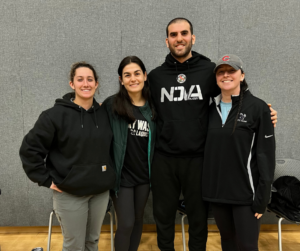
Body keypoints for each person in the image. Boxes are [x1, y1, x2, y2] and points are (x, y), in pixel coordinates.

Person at [148, 17, 277, 251]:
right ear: (167, 40)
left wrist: (263, 112)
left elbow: (233, 87)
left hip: (199, 159)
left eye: (184, 33)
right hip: (164, 158)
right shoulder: (156, 77)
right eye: (174, 35)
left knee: (199, 221)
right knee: (163, 219)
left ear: (192, 38)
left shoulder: (208, 69)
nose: (179, 39)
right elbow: (139, 106)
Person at [19, 62, 115, 251]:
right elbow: (29, 149)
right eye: (80, 79)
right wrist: (45, 179)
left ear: (97, 84)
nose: (85, 84)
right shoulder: (54, 116)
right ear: (72, 84)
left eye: (90, 79)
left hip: (100, 192)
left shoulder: (106, 114)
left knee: (92, 242)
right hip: (70, 193)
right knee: (74, 246)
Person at [202, 54, 276, 251]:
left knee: (247, 246)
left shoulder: (258, 108)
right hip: (218, 194)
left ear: (241, 75)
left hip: (247, 196)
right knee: (227, 242)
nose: (226, 75)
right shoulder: (209, 110)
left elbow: (266, 155)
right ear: (216, 78)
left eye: (231, 71)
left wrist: (263, 197)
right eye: (221, 72)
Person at [102, 56, 156, 251]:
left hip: (144, 176)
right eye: (127, 75)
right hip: (122, 176)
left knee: (138, 220)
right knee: (125, 223)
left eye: (137, 73)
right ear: (120, 79)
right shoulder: (111, 105)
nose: (133, 79)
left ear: (145, 76)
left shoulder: (153, 107)